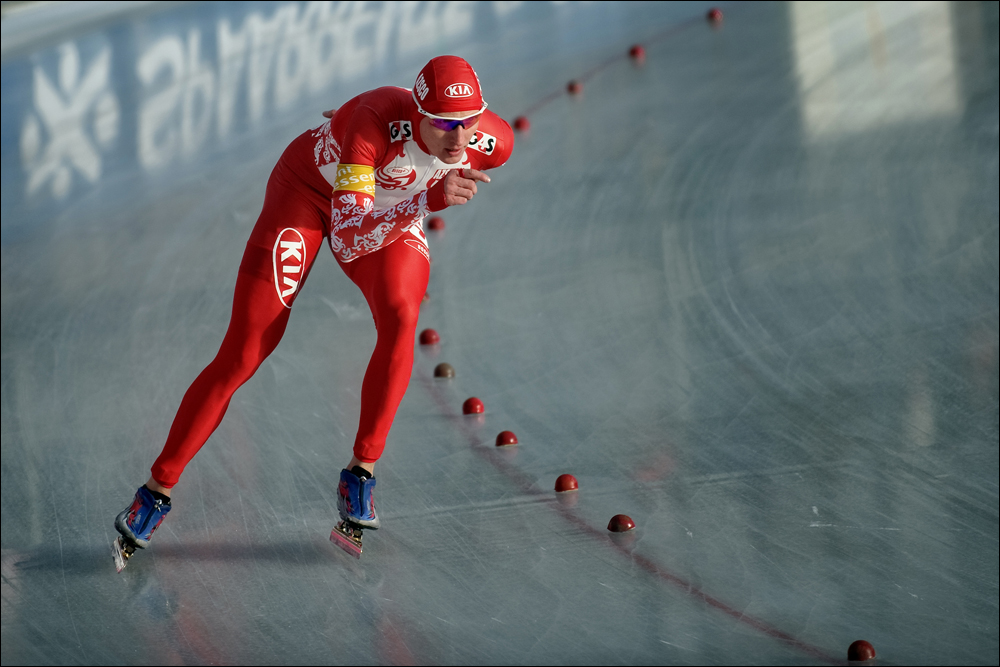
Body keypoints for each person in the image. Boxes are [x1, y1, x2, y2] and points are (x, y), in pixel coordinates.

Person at [113, 55, 514, 552]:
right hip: (306, 195)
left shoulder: (491, 142)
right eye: (443, 124)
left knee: (401, 314)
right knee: (246, 351)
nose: (458, 139)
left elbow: (391, 209)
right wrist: (422, 196)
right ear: (417, 113)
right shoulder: (374, 125)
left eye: (468, 122)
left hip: (385, 214)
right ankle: (157, 489)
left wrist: (408, 192)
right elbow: (347, 240)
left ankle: (360, 473)